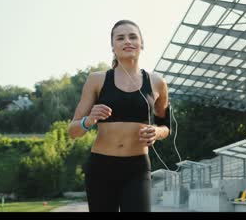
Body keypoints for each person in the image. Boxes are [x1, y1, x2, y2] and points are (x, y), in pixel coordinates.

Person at [67, 20, 170, 212]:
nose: (127, 41)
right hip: (101, 168)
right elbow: (73, 132)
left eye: (133, 36)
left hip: (137, 169)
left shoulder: (157, 83)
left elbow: (166, 127)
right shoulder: (97, 79)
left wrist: (157, 132)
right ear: (113, 47)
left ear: (142, 43)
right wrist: (88, 121)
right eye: (120, 38)